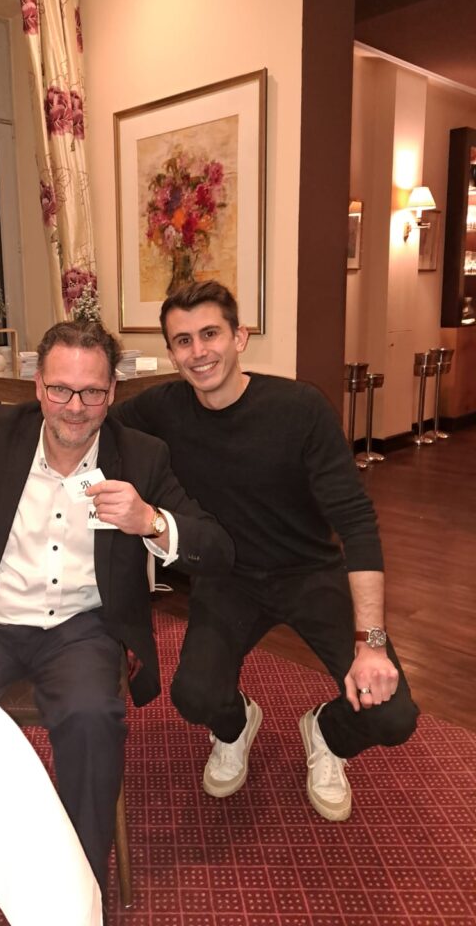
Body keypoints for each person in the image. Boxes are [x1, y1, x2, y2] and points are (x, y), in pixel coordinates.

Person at [0, 319, 234, 893]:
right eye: (61, 389)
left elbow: (216, 549)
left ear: (112, 393)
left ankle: (79, 890)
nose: (75, 407)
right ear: (39, 386)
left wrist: (151, 521)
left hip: (82, 629)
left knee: (91, 719)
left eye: (92, 392)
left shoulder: (141, 456)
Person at [112, 280, 418, 822]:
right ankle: (236, 727)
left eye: (210, 334)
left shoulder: (300, 408)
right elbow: (91, 423)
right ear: (171, 353)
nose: (198, 351)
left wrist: (371, 641)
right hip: (228, 577)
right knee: (195, 697)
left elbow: (356, 522)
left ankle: (325, 733)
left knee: (391, 715)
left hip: (311, 572)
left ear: (240, 337)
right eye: (183, 341)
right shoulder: (161, 409)